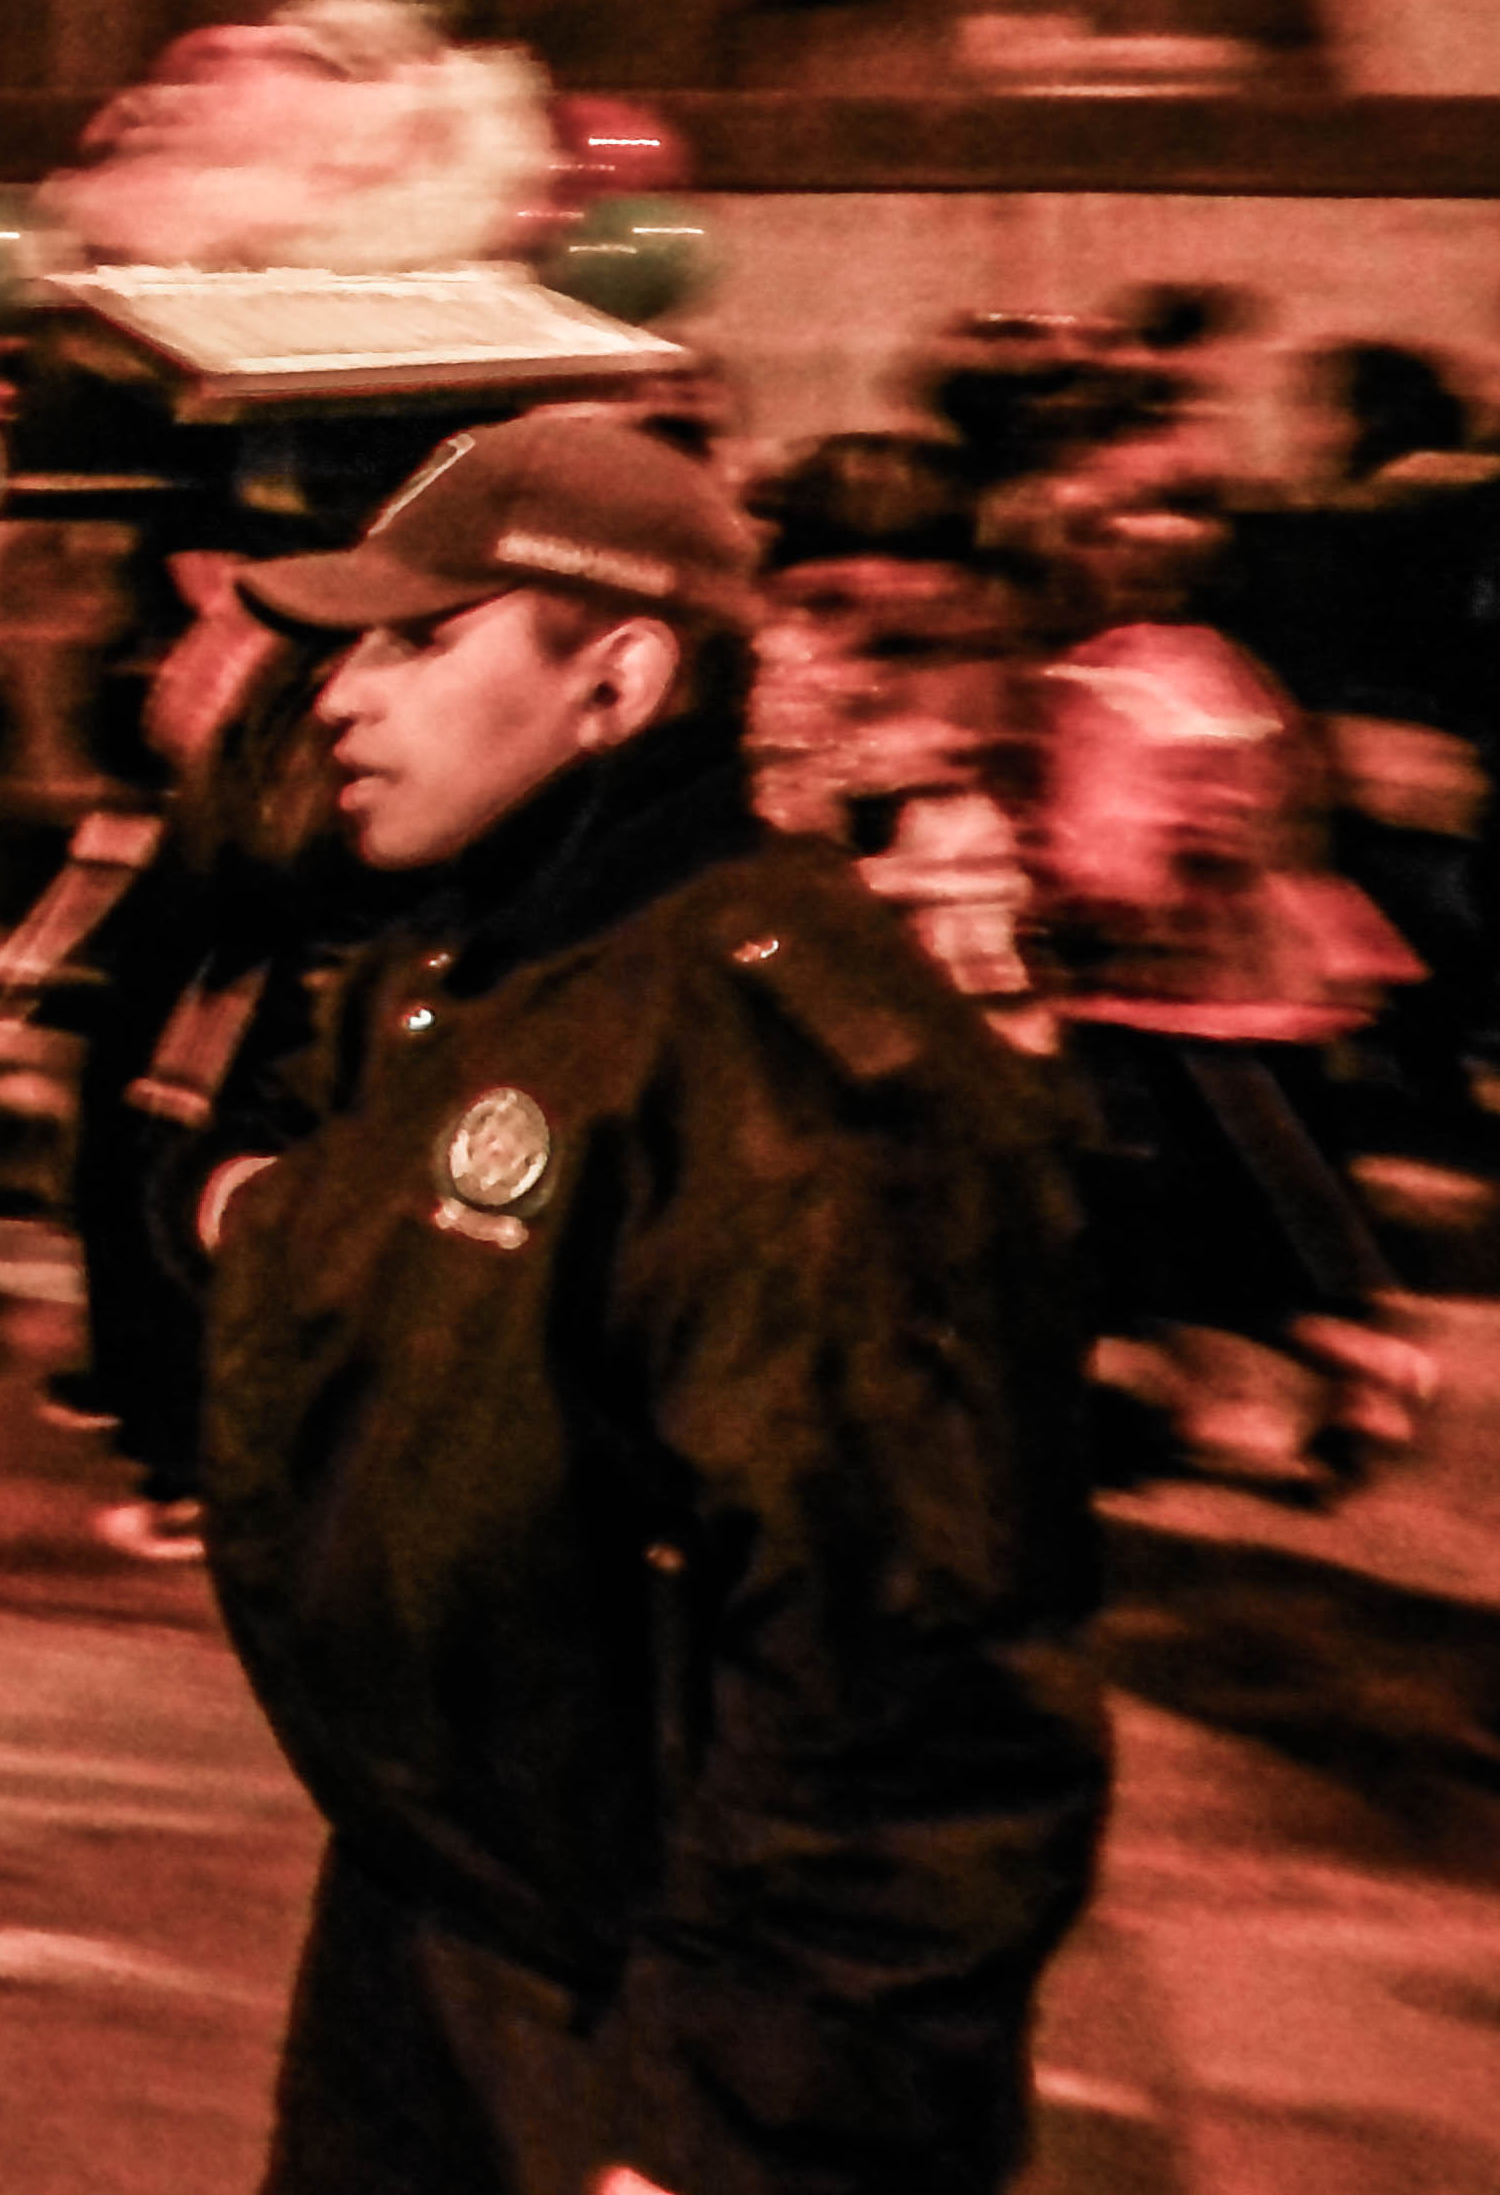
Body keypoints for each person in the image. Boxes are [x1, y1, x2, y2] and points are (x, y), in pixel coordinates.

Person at [187, 409, 1107, 2195]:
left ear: (616, 682)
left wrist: (731, 2124)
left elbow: (917, 1683)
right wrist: (276, 1222)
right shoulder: (499, 969)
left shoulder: (802, 1076)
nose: (339, 697)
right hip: (441, 1916)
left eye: (418, 641)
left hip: (655, 2014)